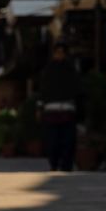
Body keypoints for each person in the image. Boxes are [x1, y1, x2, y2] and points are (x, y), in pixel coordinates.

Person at [36, 43, 82, 173]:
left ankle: (66, 166)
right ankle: (54, 164)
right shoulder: (48, 70)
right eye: (57, 52)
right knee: (52, 142)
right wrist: (39, 108)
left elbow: (77, 89)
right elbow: (42, 90)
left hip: (68, 111)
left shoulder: (71, 70)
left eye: (62, 52)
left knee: (68, 141)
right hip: (51, 113)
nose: (59, 55)